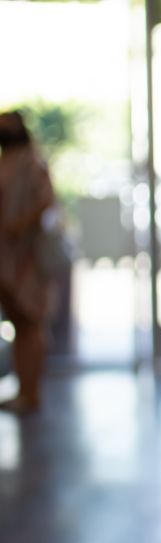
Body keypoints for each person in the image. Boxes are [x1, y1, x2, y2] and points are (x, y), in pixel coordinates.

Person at [0, 111, 57, 416]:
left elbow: (47, 200)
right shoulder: (6, 161)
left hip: (27, 255)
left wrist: (20, 224)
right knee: (18, 322)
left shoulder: (32, 162)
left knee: (30, 321)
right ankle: (23, 389)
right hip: (5, 256)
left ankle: (31, 391)